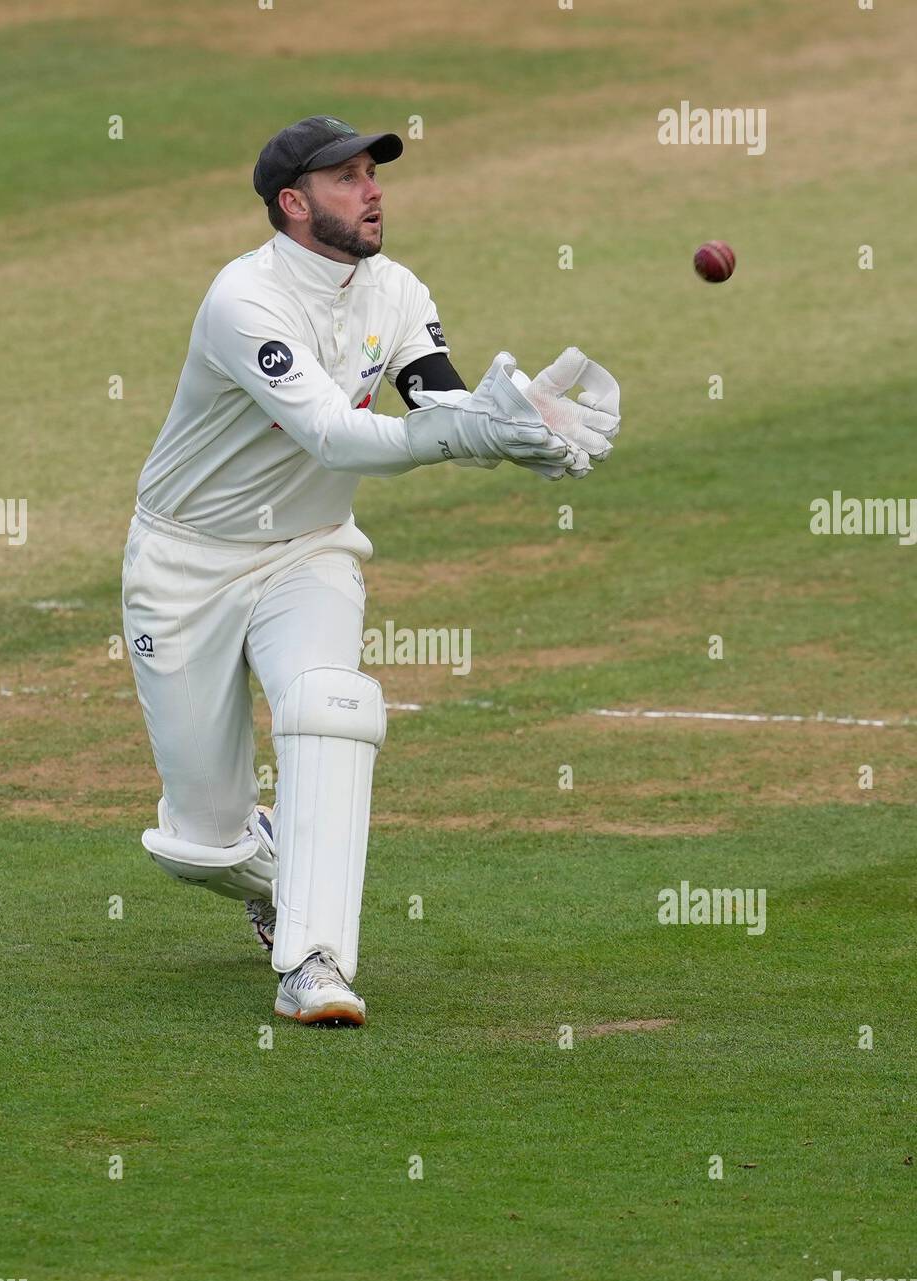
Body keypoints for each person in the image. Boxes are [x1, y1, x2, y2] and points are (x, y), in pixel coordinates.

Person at [122, 114, 621, 1027]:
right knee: (197, 843)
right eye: (346, 178)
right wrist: (460, 433)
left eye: (371, 173)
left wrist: (521, 426)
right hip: (184, 563)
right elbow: (332, 431)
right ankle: (271, 859)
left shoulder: (395, 291)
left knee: (327, 710)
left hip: (308, 552)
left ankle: (313, 961)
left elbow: (436, 399)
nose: (372, 189)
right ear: (292, 203)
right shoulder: (246, 301)